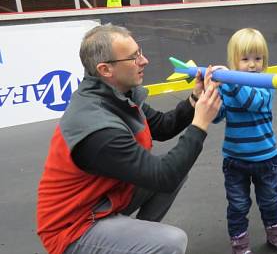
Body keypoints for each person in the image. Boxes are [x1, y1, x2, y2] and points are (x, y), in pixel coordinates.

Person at [36, 24, 222, 254]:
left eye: (140, 52)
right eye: (134, 57)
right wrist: (201, 123)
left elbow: (163, 127)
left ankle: (135, 243)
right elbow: (164, 176)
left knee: (177, 171)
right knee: (171, 242)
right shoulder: (97, 128)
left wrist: (195, 99)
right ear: (105, 70)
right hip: (74, 227)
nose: (144, 61)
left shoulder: (119, 95)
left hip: (103, 200)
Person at [212, 28, 277, 254]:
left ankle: (276, 234)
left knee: (270, 200)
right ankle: (240, 245)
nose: (252, 65)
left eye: (258, 59)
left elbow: (252, 102)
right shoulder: (228, 88)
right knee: (238, 205)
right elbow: (217, 116)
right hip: (235, 160)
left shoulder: (266, 84)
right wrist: (209, 91)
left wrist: (229, 80)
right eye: (245, 59)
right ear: (233, 61)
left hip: (265, 158)